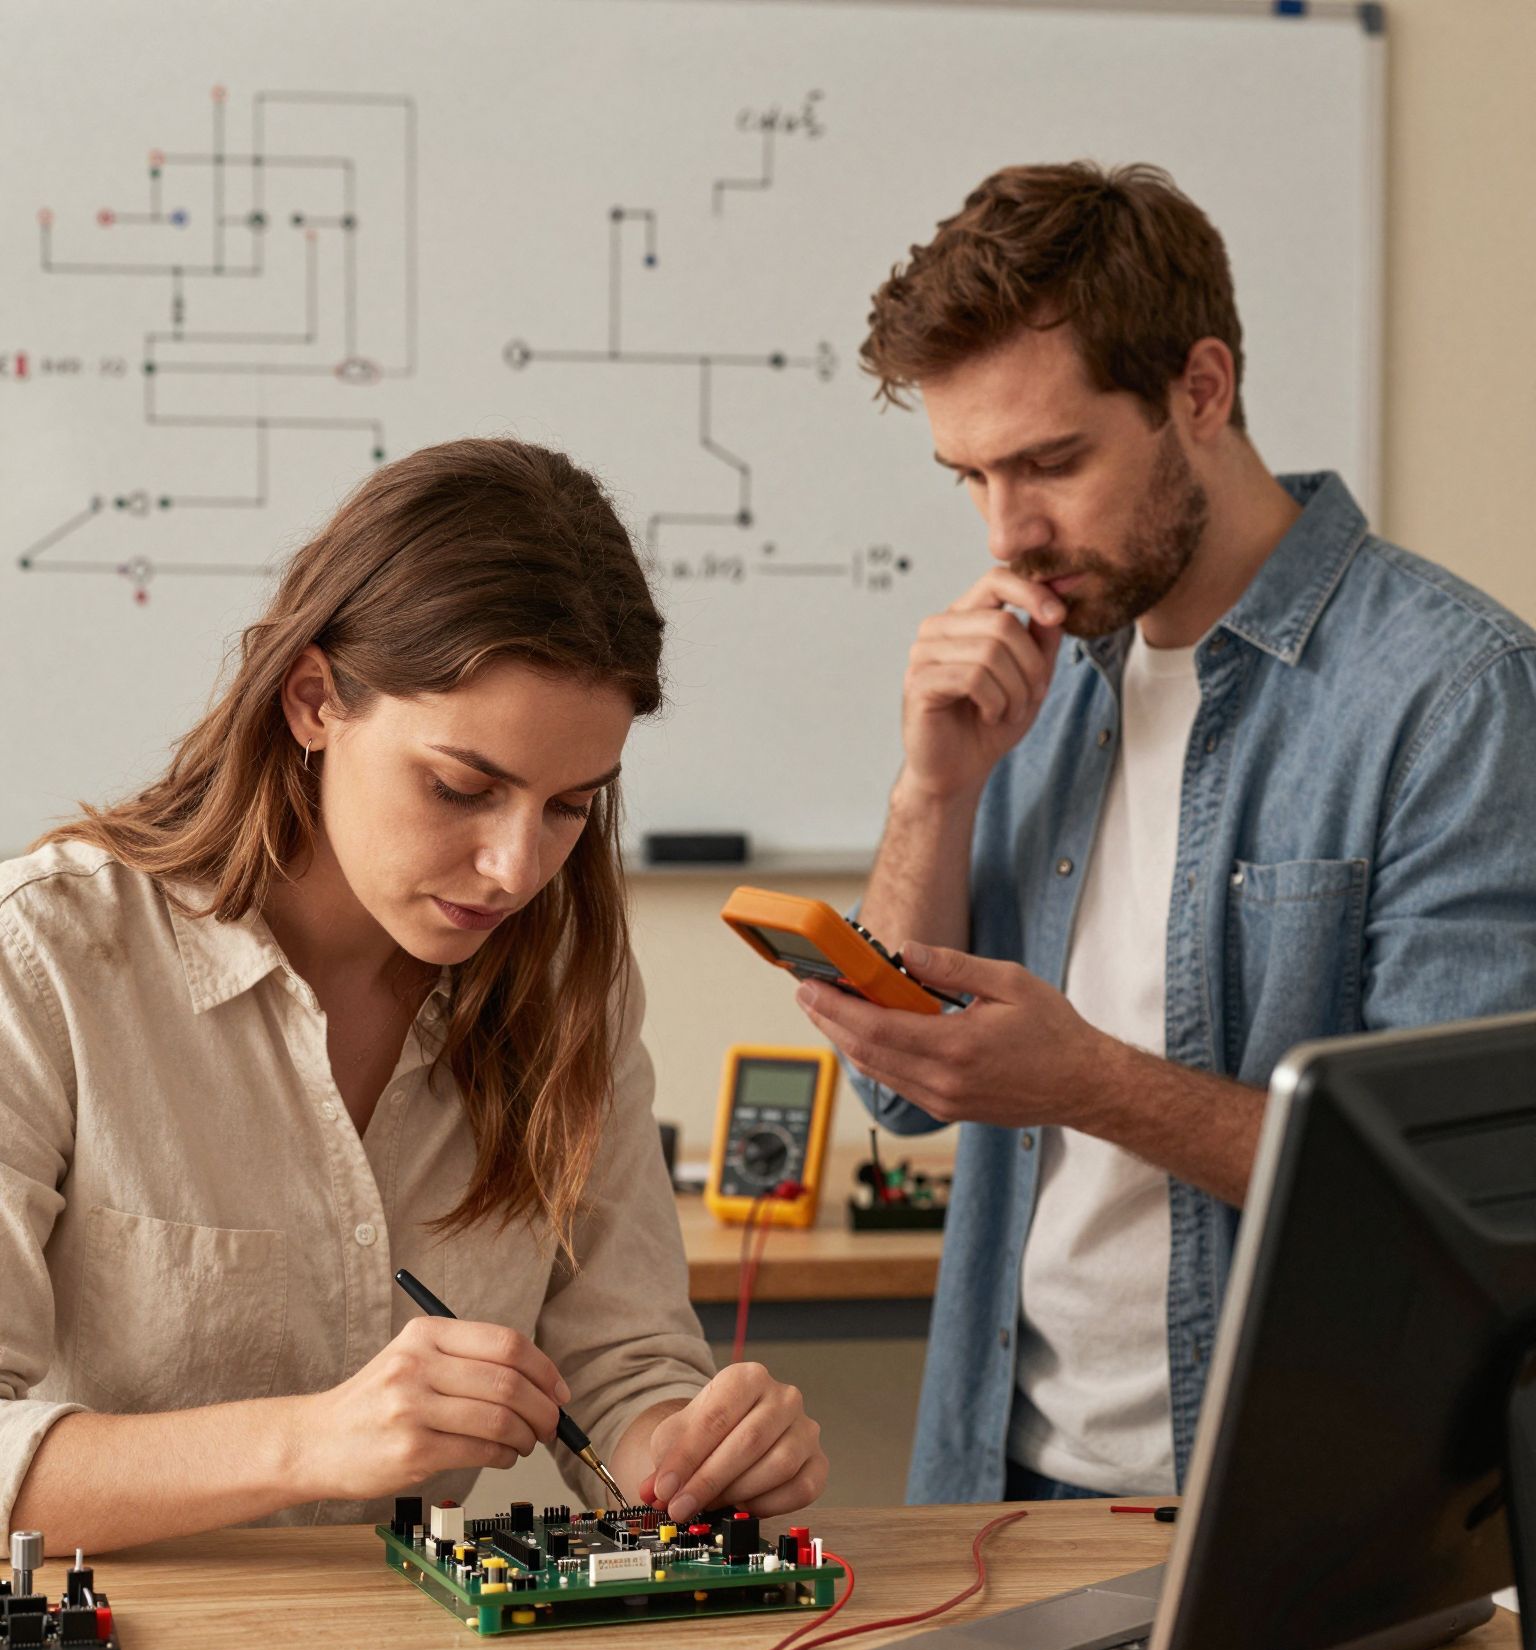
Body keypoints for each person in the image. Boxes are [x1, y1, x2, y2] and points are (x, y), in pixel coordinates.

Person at [798, 161, 1536, 1507]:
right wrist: (932, 793)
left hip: (1281, 1505)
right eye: (970, 477)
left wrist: (1085, 1080)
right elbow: (902, 1090)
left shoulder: (1453, 698)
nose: (1010, 535)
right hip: (998, 1485)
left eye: (1052, 463)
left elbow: (1461, 1202)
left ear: (1200, 390)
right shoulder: (1045, 661)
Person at [0, 437, 827, 1550]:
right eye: (461, 787)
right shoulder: (46, 958)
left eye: (570, 806)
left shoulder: (565, 982)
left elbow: (623, 1366)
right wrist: (315, 1439)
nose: (515, 869)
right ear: (312, 701)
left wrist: (693, 1451)